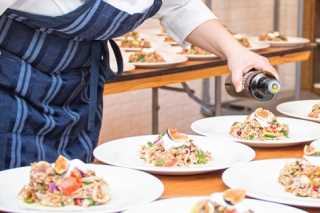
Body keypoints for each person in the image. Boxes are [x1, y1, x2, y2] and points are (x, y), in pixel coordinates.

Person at [0, 0, 278, 171]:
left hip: (78, 84)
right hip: (14, 81)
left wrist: (235, 51)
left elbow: (181, 6)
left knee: (73, 182)